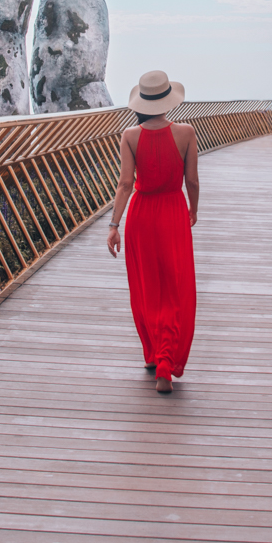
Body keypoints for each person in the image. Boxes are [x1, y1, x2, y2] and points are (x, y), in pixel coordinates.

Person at [106, 70, 199, 394]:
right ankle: (165, 362)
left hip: (142, 216)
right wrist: (194, 209)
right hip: (173, 211)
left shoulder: (129, 135)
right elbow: (192, 181)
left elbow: (125, 184)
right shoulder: (187, 132)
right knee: (175, 287)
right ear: (168, 101)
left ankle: (152, 354)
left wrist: (114, 225)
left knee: (147, 287)